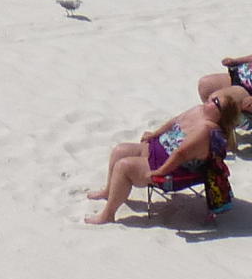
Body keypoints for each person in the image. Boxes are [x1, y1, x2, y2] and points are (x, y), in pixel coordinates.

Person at [84, 91, 242, 225]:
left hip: (172, 171)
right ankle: (108, 191)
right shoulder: (198, 111)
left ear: (220, 114)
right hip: (157, 151)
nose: (210, 99)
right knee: (119, 151)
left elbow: (180, 155)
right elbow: (174, 121)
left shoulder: (206, 131)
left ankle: (108, 215)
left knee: (123, 166)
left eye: (215, 101)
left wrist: (160, 171)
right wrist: (154, 134)